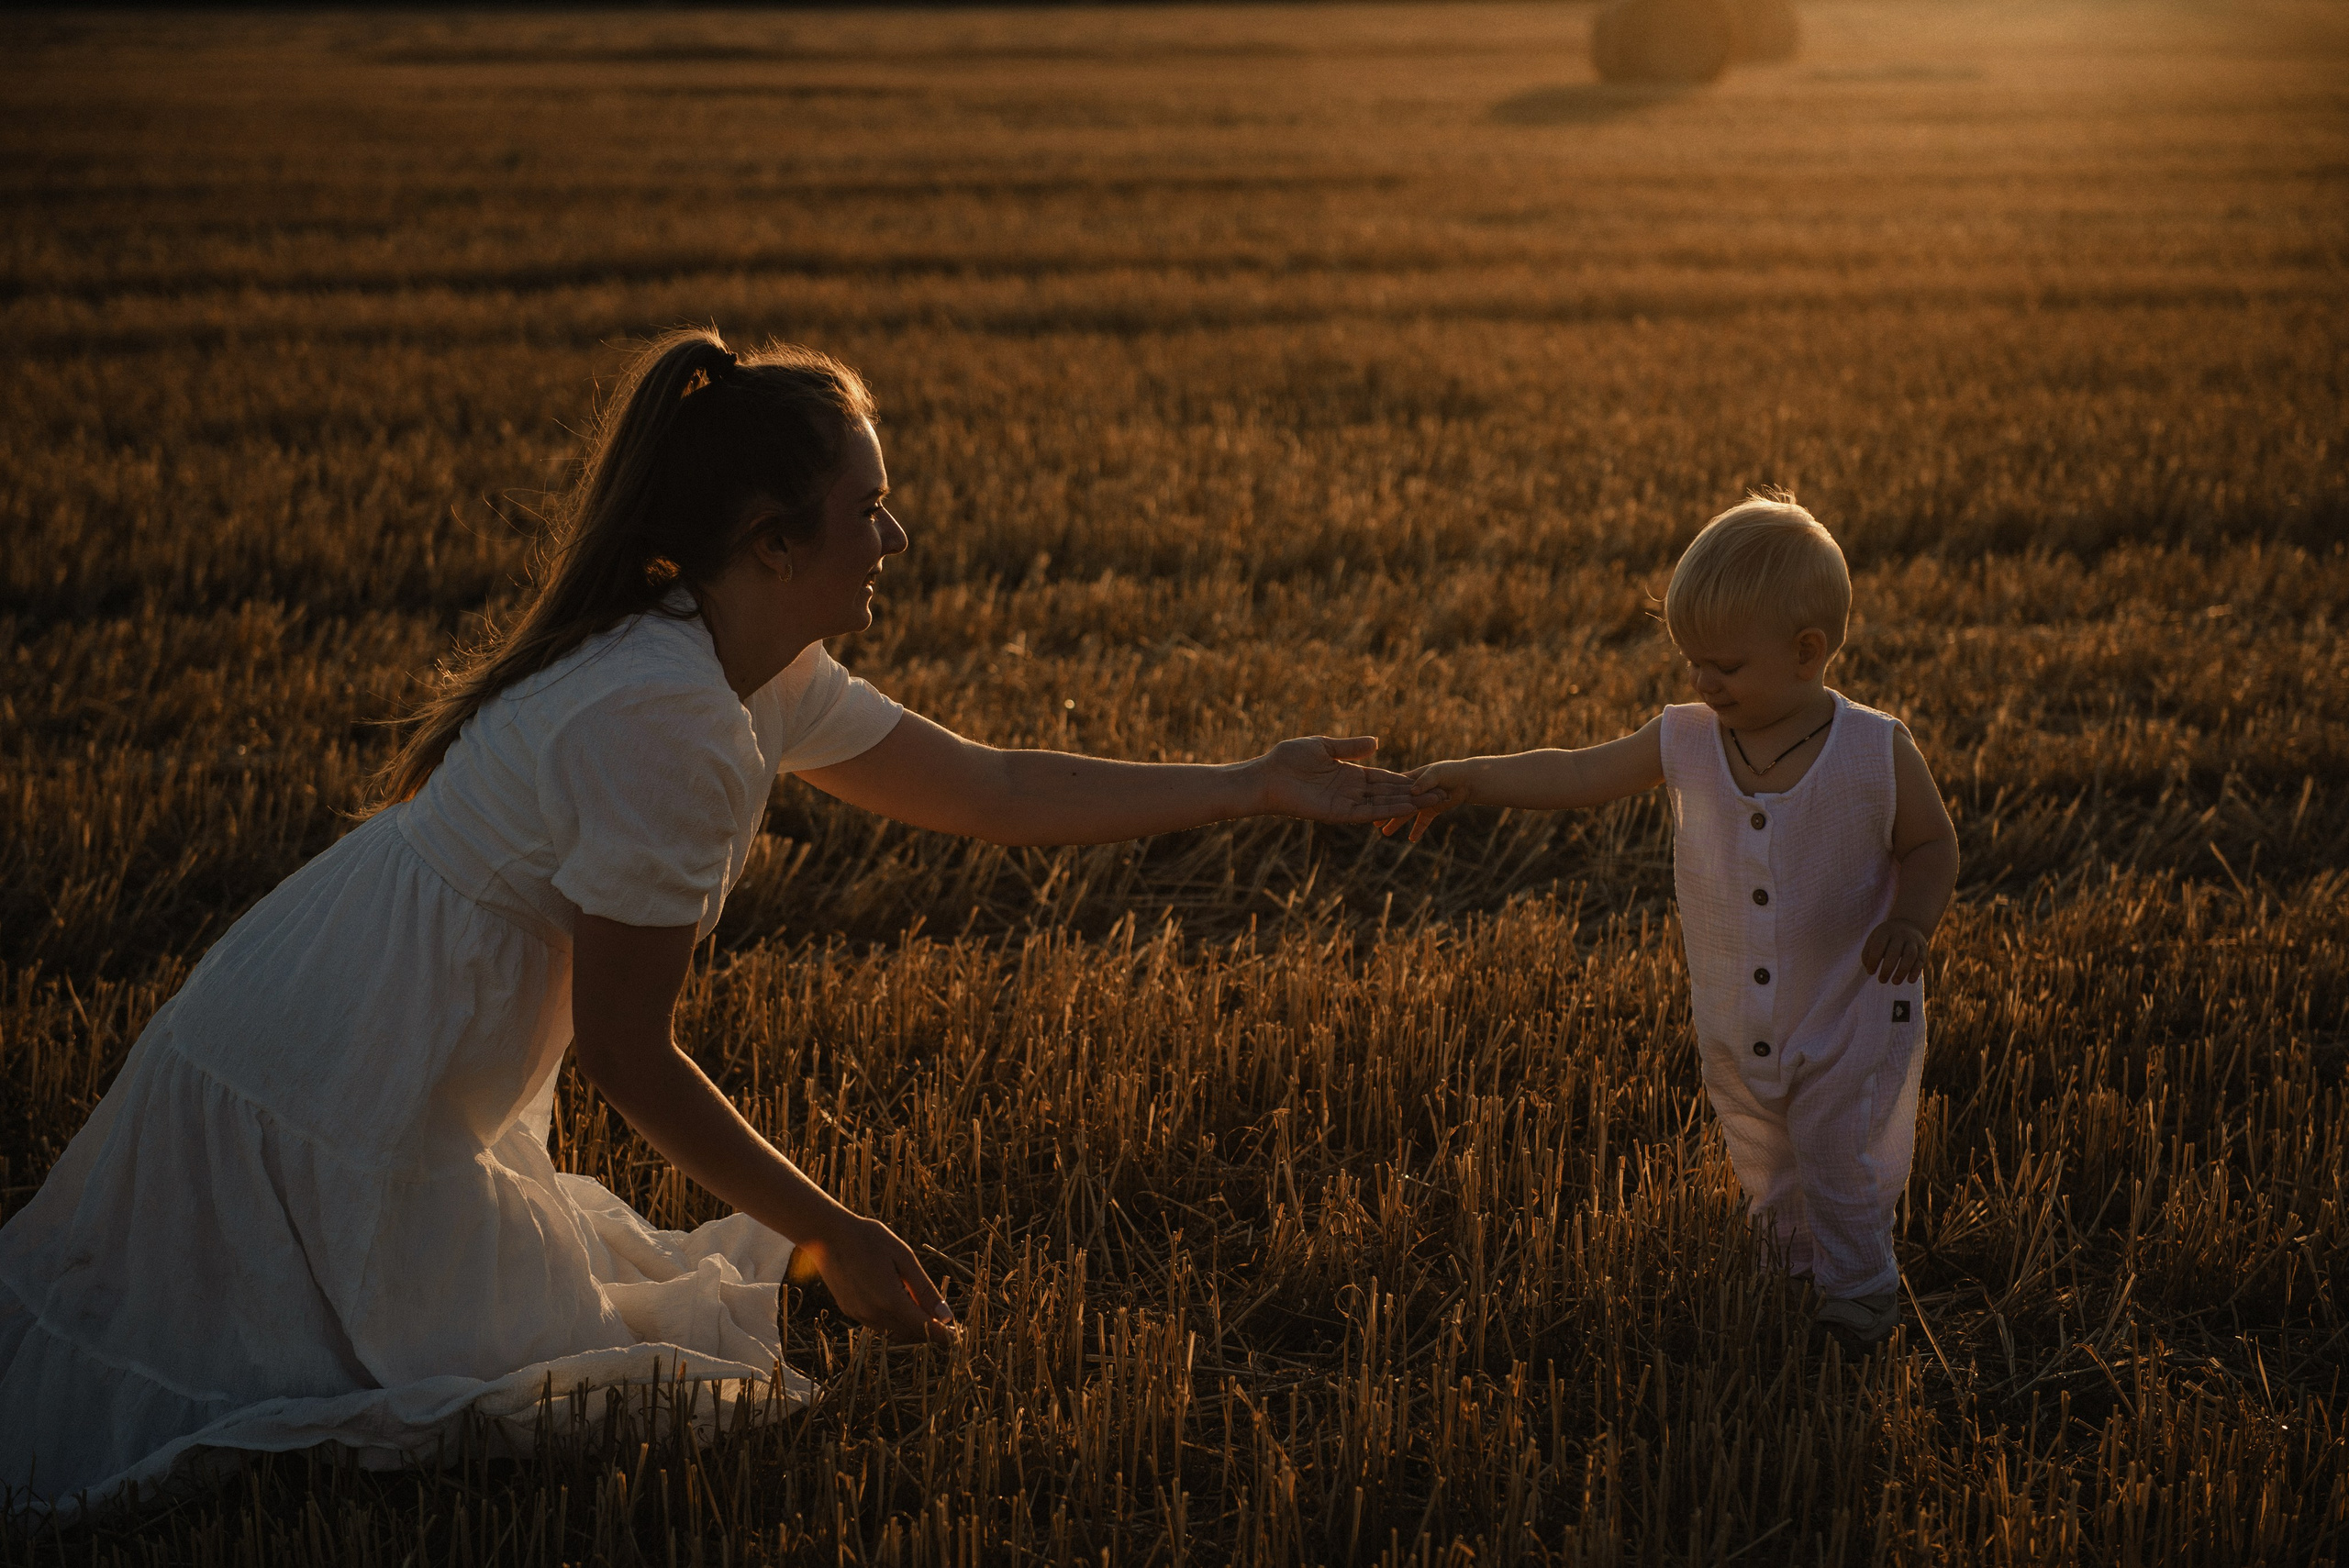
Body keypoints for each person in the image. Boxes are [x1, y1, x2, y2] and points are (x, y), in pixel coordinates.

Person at [0, 329, 1436, 1511]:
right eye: (863, 509)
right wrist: (829, 1230)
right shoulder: (670, 721)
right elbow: (629, 1056)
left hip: (340, 1017)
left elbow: (991, 789)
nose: (894, 533)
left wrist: (1256, 784)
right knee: (483, 1404)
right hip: (329, 1079)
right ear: (766, 541)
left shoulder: (746, 654)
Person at [1385, 494, 1959, 1349]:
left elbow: (1932, 844)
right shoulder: (1688, 737)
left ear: (1808, 653)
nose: (1701, 681)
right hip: (1738, 1012)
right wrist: (1476, 777)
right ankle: (1788, 1264)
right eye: (1690, 660)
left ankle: (1861, 1293)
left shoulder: (1877, 749)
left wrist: (1913, 921)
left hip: (1848, 1004)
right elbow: (1579, 773)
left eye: (1723, 664)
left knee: (1840, 1154)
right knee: (1765, 1149)